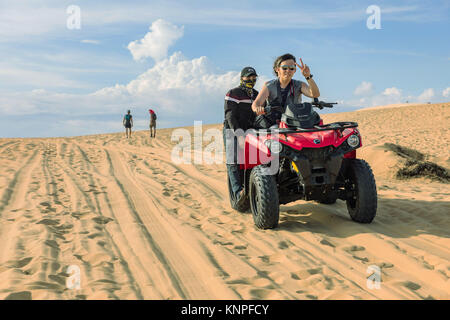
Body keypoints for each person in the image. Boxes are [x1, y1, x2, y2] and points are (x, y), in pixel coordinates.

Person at [252, 53, 320, 126]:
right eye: (284, 68)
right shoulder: (269, 85)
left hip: (295, 122)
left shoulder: (299, 85)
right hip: (275, 123)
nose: (288, 70)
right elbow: (257, 103)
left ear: (295, 70)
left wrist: (308, 76)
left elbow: (315, 94)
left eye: (291, 68)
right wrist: (257, 109)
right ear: (277, 69)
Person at [224, 66, 258, 204]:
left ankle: (251, 189)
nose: (251, 79)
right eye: (248, 77)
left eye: (254, 77)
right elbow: (230, 116)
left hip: (251, 131)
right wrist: (240, 135)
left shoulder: (256, 94)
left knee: (252, 160)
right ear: (241, 78)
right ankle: (238, 193)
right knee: (233, 160)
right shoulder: (233, 93)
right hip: (232, 130)